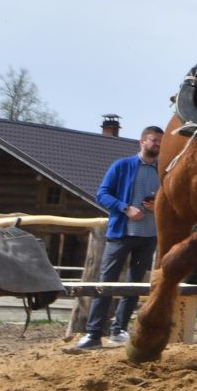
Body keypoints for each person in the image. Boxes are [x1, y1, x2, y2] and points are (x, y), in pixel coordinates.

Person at [74, 124, 165, 351]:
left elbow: (168, 200)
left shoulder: (162, 172)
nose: (158, 145)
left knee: (133, 286)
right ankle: (93, 334)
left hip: (148, 236)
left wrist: (157, 207)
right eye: (154, 140)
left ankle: (119, 330)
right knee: (107, 283)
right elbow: (102, 194)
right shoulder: (122, 166)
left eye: (160, 141)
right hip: (121, 234)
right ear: (142, 142)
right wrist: (126, 208)